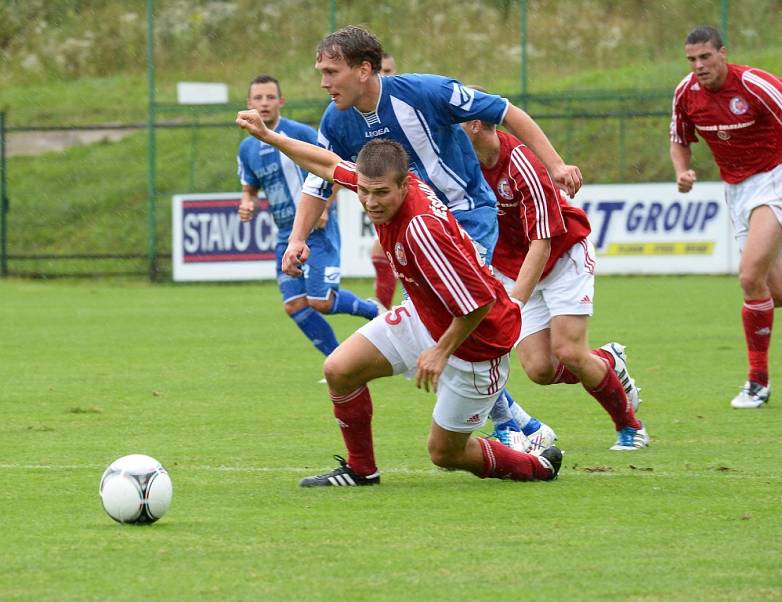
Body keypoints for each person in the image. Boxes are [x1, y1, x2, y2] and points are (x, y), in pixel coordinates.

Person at [236, 108, 564, 485]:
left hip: (478, 344)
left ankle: (536, 466)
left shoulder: (421, 229)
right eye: (363, 191)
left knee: (446, 453)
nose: (371, 202)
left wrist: (440, 352)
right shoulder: (381, 180)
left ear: (405, 186)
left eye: (380, 194)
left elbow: (480, 302)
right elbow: (326, 163)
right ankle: (361, 471)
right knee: (339, 370)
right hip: (426, 317)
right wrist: (270, 137)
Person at [289, 25, 580, 450]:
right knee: (435, 328)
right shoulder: (336, 120)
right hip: (411, 233)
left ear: (365, 69)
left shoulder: (426, 92)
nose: (324, 82)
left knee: (442, 324)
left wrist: (554, 164)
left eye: (332, 71)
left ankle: (513, 426)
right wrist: (299, 237)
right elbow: (322, 177)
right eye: (321, 72)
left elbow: (505, 111)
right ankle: (517, 422)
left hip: (467, 219)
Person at [462, 115, 649, 450]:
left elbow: (543, 241)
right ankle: (607, 363)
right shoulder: (458, 164)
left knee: (569, 351)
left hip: (563, 257)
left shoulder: (520, 163)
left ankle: (631, 427)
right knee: (539, 369)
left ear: (475, 124)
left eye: (452, 122)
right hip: (514, 268)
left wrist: (515, 303)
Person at [669, 26, 782, 409]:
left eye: (706, 57)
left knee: (748, 276)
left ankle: (757, 382)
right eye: (692, 60)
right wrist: (682, 170)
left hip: (777, 179)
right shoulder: (686, 93)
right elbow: (679, 138)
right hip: (736, 190)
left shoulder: (758, 85)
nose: (699, 66)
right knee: (775, 291)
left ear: (723, 53)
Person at [237, 75, 380, 364]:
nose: (264, 103)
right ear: (249, 104)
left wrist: (325, 206)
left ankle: (374, 311)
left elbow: (333, 168)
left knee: (321, 301)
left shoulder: (299, 133)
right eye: (258, 98)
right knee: (295, 306)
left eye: (269, 97)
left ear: (281, 101)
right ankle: (338, 361)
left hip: (317, 229)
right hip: (284, 235)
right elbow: (250, 188)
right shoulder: (247, 148)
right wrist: (247, 203)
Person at [370, 52, 400, 309]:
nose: (383, 75)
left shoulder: (404, 108)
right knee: (382, 252)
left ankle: (381, 313)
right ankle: (384, 314)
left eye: (388, 70)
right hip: (391, 195)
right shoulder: (363, 115)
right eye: (379, 70)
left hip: (420, 197)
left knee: (382, 252)